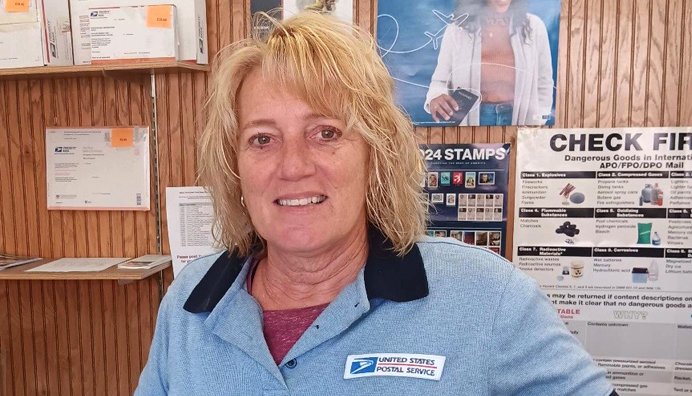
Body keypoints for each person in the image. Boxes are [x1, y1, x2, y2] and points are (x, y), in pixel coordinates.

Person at [134, 12, 617, 395]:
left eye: (326, 133)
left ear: (376, 154)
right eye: (262, 139)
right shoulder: (190, 302)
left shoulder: (487, 297)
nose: (293, 165)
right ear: (234, 164)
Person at [425, 0, 554, 126]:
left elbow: (544, 81)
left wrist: (539, 120)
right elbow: (439, 81)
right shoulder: (457, 30)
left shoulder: (534, 27)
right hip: (474, 122)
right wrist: (436, 97)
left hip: (521, 121)